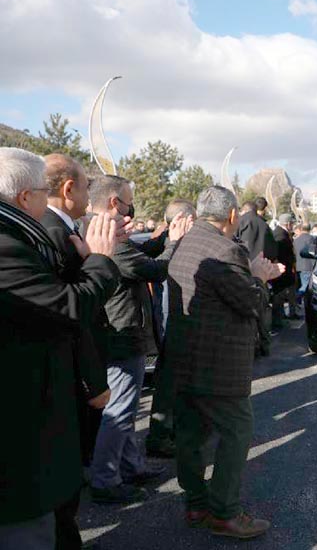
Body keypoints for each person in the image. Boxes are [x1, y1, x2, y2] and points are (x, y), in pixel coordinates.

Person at [0, 148, 121, 550]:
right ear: (23, 198)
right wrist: (101, 260)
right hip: (23, 423)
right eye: (41, 191)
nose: (47, 199)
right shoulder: (8, 244)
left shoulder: (22, 234)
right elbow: (68, 308)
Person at [166, 186, 284, 539]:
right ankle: (224, 512)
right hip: (218, 365)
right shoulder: (225, 249)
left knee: (190, 434)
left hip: (184, 360)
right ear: (232, 216)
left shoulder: (186, 240)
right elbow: (248, 301)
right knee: (236, 432)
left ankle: (196, 502)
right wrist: (260, 277)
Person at [88, 175, 191, 504]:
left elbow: (141, 254)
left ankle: (130, 467)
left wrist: (161, 238)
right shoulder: (111, 242)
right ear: (115, 203)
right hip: (123, 336)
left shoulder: (104, 233)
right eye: (129, 200)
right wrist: (174, 243)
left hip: (120, 335)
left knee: (126, 408)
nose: (133, 209)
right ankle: (105, 480)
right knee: (118, 411)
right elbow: (152, 269)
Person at [41, 154, 117, 549]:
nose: (91, 195)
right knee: (67, 477)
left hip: (74, 372)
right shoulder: (53, 233)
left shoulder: (64, 229)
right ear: (70, 188)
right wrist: (94, 382)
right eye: (87, 186)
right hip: (72, 376)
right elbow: (75, 316)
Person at [146, 198, 197, 460]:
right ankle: (160, 436)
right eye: (193, 219)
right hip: (172, 323)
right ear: (182, 220)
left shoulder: (167, 241)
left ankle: (170, 432)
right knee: (168, 382)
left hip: (173, 321)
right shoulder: (171, 245)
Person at [272, 213, 297, 322]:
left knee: (283, 294)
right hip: (283, 269)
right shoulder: (280, 235)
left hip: (284, 268)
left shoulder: (281, 233)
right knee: (280, 295)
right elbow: (281, 253)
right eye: (292, 223)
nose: (293, 226)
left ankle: (284, 315)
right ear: (288, 224)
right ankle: (279, 318)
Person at [293, 222, 317, 301]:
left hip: (298, 266)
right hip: (308, 266)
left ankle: (298, 302)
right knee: (305, 286)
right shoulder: (312, 239)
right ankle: (295, 299)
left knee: (303, 285)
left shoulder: (296, 240)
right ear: (310, 229)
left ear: (301, 229)